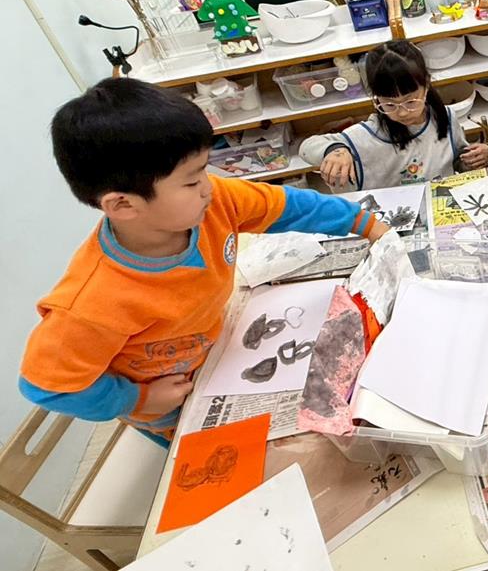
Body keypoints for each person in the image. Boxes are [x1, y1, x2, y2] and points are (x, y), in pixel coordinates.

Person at [19, 78, 390, 446]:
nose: (208, 187)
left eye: (204, 170)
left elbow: (286, 206)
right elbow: (46, 387)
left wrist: (364, 224)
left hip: (217, 352)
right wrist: (139, 400)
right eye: (190, 181)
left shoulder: (214, 202)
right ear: (123, 205)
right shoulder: (92, 302)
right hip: (172, 406)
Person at [300, 40, 488, 189]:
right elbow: (306, 147)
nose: (402, 112)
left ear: (426, 85)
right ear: (376, 98)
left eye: (411, 101)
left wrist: (485, 155)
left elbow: (459, 161)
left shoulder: (445, 117)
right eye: (389, 104)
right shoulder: (366, 135)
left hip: (440, 209)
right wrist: (335, 150)